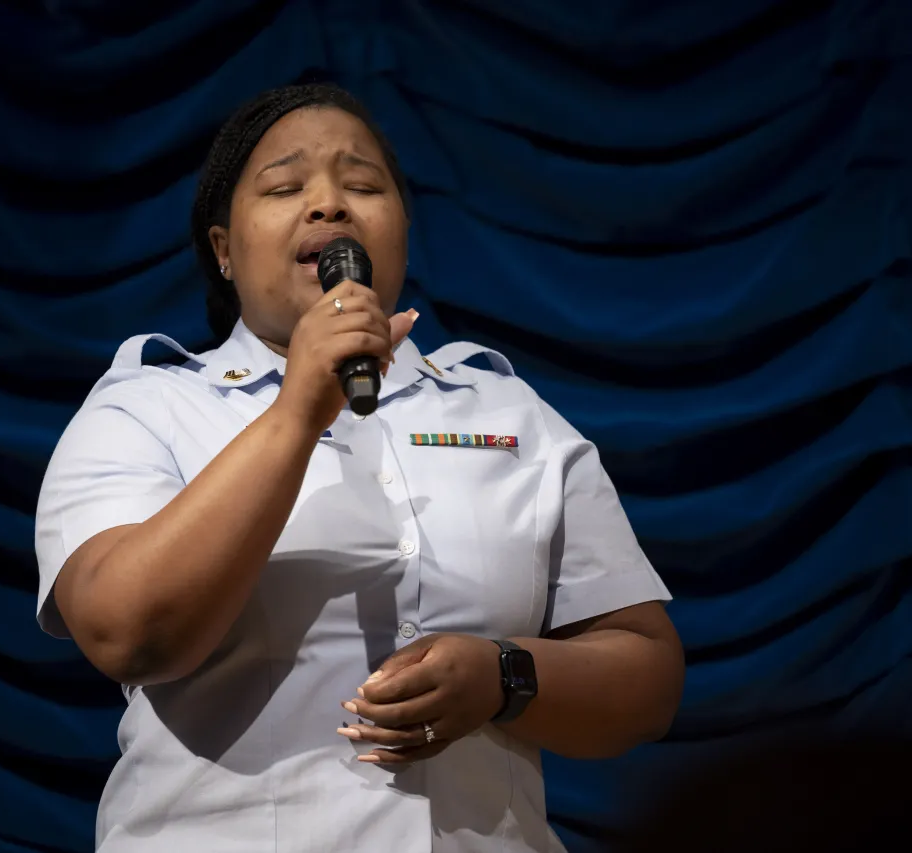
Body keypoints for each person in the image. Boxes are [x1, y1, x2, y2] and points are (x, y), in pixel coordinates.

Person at [34, 82, 684, 853]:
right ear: (223, 251)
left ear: (401, 231)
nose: (329, 205)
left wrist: (504, 675)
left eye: (363, 185)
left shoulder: (507, 414)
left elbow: (647, 674)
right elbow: (126, 632)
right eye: (284, 186)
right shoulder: (145, 406)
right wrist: (297, 411)